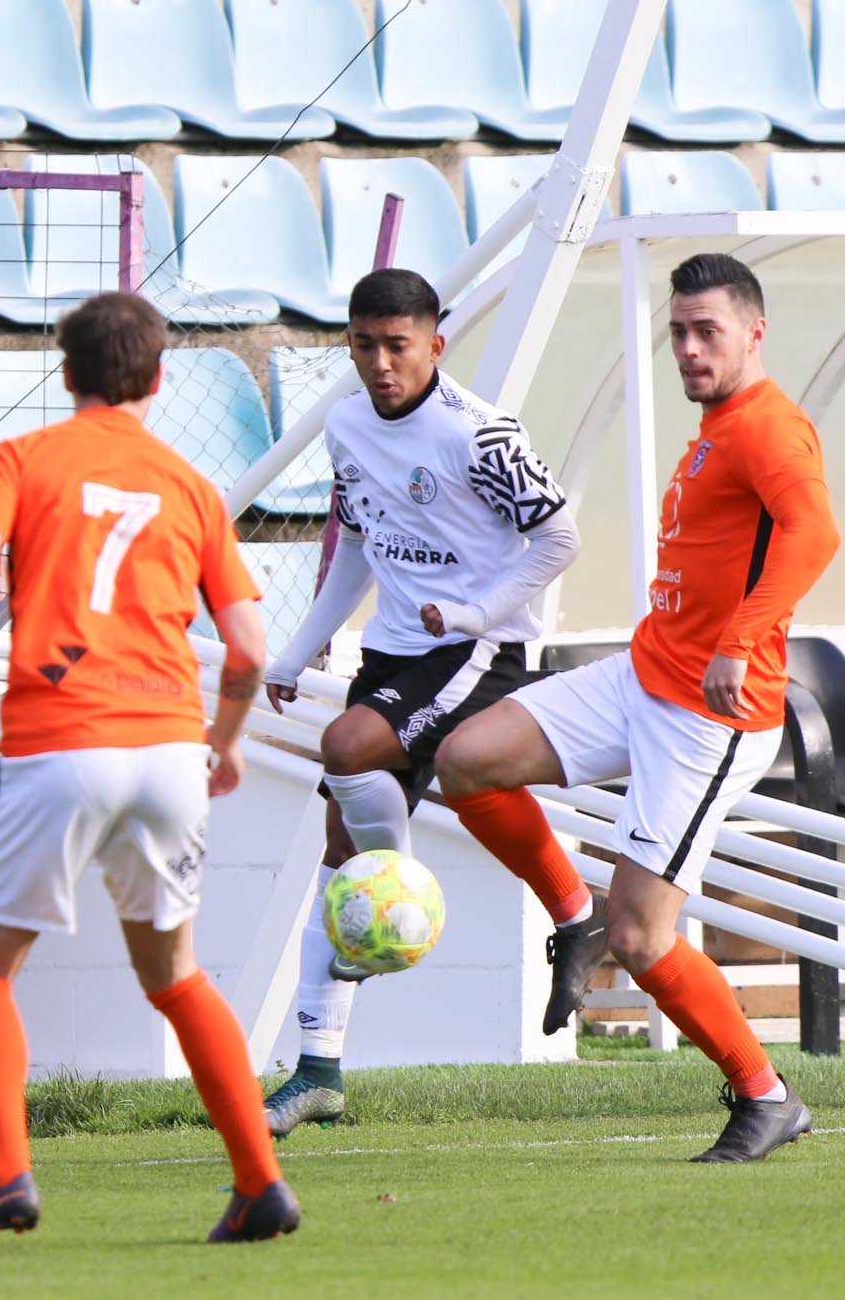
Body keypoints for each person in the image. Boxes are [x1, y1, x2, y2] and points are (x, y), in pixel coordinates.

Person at [0, 290, 297, 1250]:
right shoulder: (189, 484)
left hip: (61, 741)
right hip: (171, 748)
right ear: (160, 376)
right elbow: (253, 646)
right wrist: (222, 742)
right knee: (176, 974)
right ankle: (260, 1181)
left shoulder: (23, 459)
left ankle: (6, 1176)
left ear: (64, 376)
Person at [434, 253, 841, 1164]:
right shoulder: (717, 426)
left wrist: (739, 639)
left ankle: (765, 1095)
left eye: (709, 332)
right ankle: (568, 912)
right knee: (466, 759)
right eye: (679, 333)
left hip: (710, 715)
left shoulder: (771, 428)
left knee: (644, 933)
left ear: (754, 331)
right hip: (642, 674)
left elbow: (817, 534)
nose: (691, 350)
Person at [258, 269, 579, 1136]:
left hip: (477, 646)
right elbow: (359, 544)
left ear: (436, 344)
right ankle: (318, 1070)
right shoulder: (346, 425)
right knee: (338, 855)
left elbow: (558, 536)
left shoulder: (477, 435)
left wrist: (480, 609)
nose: (379, 362)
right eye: (363, 345)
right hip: (397, 653)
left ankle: (404, 899)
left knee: (347, 745)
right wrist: (297, 645)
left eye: (397, 345)